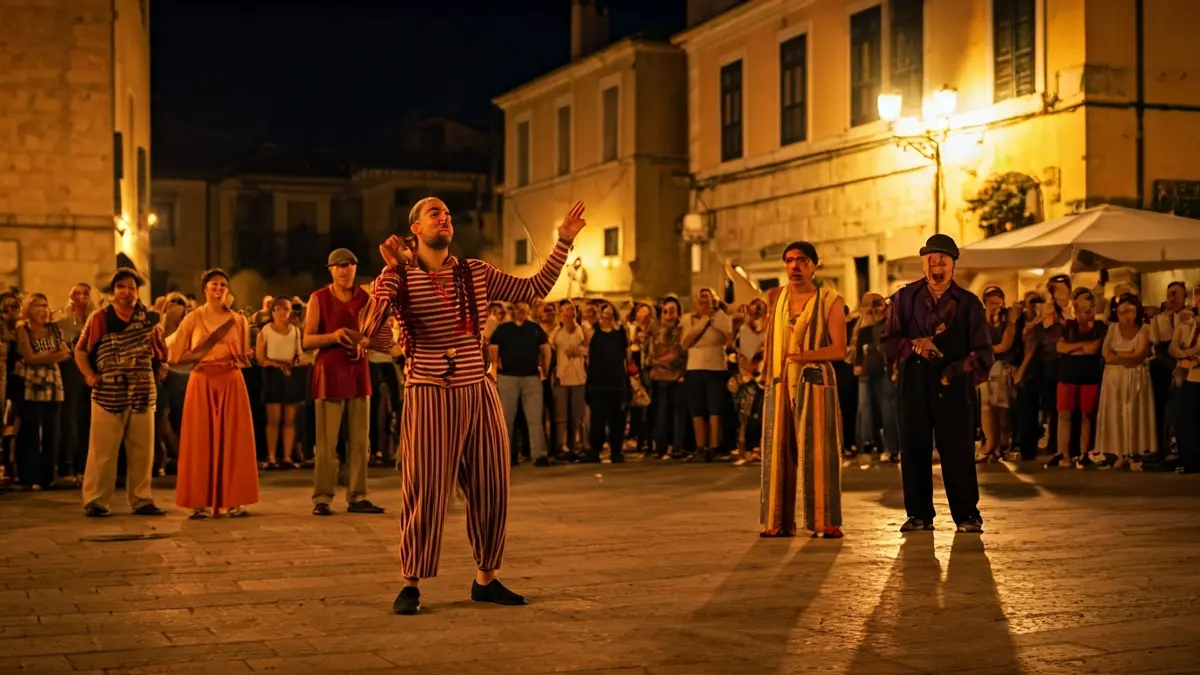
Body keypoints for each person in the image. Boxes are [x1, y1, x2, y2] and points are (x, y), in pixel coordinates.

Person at [361, 197, 586, 615]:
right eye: (433, 213)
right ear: (415, 229)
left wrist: (563, 242)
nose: (444, 217)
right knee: (426, 487)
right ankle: (411, 581)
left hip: (477, 389)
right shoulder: (401, 277)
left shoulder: (476, 273)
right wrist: (391, 274)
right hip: (429, 389)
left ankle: (486, 578)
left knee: (492, 484)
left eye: (447, 212)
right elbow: (371, 335)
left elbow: (533, 288)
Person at [880, 234, 991, 534]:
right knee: (914, 448)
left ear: (953, 265)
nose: (936, 266)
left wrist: (955, 368)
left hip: (954, 383)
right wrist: (917, 345)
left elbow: (983, 353)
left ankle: (967, 515)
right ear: (924, 263)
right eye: (931, 260)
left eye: (943, 260)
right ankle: (918, 514)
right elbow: (888, 341)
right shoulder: (904, 298)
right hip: (914, 381)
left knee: (957, 451)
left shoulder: (969, 303)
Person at [759, 242, 847, 539]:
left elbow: (839, 349)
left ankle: (826, 521)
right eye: (789, 261)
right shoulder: (775, 297)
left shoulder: (830, 300)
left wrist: (803, 356)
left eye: (802, 260)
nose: (795, 266)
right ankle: (777, 521)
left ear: (814, 265)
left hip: (815, 380)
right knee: (777, 451)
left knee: (820, 453)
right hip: (780, 380)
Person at [76, 268, 167, 517]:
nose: (127, 292)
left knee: (142, 450)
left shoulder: (150, 319)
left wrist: (161, 366)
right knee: (102, 451)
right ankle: (96, 500)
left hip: (142, 391)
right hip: (108, 392)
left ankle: (142, 498)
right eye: (121, 287)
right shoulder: (99, 318)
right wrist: (89, 375)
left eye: (132, 287)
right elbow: (81, 350)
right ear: (113, 291)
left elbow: (161, 351)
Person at [169, 269, 260, 519]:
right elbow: (175, 356)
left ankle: (234, 501)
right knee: (200, 439)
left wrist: (246, 357)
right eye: (213, 285)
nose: (218, 289)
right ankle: (200, 502)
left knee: (233, 438)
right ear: (205, 289)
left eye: (222, 285)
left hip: (231, 380)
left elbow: (243, 355)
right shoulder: (193, 319)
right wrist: (203, 353)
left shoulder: (238, 320)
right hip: (202, 381)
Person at [303, 249, 387, 516]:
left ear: (355, 268)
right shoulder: (319, 298)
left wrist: (364, 343)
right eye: (338, 266)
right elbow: (306, 340)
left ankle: (358, 495)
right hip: (328, 373)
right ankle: (323, 497)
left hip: (358, 372)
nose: (343, 270)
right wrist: (334, 336)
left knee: (361, 441)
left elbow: (378, 336)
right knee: (327, 443)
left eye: (348, 265)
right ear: (330, 269)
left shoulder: (367, 299)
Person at [257, 296, 305, 469]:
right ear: (273, 311)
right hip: (272, 374)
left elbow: (298, 353)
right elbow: (260, 357)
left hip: (290, 373)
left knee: (290, 418)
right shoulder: (266, 330)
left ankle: (287, 456)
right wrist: (276, 364)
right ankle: (271, 456)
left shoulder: (295, 331)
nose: (283, 312)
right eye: (280, 309)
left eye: (287, 309)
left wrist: (295, 361)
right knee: (274, 418)